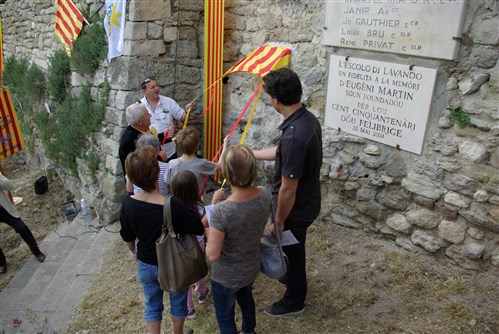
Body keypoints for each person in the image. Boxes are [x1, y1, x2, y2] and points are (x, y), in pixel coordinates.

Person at [252, 68, 322, 317]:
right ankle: (292, 278)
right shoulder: (306, 119)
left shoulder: (294, 135)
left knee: (293, 249)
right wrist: (252, 153)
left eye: (268, 95)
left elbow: (288, 189)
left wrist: (279, 221)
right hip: (309, 200)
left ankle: (294, 300)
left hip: (296, 209)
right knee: (293, 250)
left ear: (276, 100)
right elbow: (281, 151)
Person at [120, 146, 204, 334]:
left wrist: (134, 252)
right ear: (157, 173)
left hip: (146, 263)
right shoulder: (172, 204)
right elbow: (197, 227)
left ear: (132, 177)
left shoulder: (128, 204)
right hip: (174, 262)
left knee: (152, 305)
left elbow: (127, 236)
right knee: (178, 303)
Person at [206, 145, 271, 334]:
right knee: (246, 297)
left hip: (226, 276)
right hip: (251, 265)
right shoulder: (264, 193)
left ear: (226, 171)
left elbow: (212, 254)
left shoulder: (221, 210)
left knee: (225, 317)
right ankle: (249, 331)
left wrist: (209, 232)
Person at [169, 170, 210, 320]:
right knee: (199, 268)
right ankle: (201, 292)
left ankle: (189, 309)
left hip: (180, 246)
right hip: (198, 242)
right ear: (194, 188)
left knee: (185, 277)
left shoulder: (170, 207)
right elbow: (203, 224)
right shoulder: (199, 205)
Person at [0, 165, 46, 274]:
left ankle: (37, 252)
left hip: (4, 209)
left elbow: (9, 186)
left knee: (22, 228)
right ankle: (1, 263)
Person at [164, 126, 229, 199]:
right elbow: (220, 165)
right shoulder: (201, 164)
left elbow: (169, 183)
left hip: (177, 202)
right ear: (197, 146)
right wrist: (225, 144)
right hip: (195, 202)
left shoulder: (172, 164)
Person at [140, 76, 190, 161]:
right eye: (152, 87)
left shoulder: (168, 102)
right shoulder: (139, 106)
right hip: (148, 154)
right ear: (144, 91)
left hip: (169, 153)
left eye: (157, 85)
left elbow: (183, 117)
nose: (157, 89)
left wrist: (188, 110)